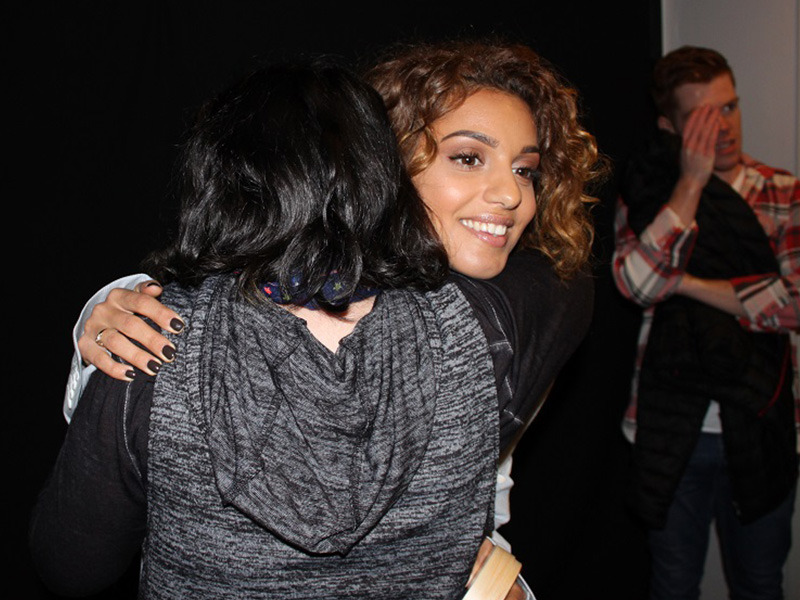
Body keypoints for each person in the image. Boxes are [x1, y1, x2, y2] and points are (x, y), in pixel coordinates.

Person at [45, 40, 602, 596]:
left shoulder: (501, 315)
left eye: (526, 170)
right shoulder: (493, 328)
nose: (510, 194)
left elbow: (72, 561)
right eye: (467, 158)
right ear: (382, 163)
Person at [612, 45, 799, 600]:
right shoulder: (651, 189)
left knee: (759, 583)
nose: (723, 126)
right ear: (670, 127)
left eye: (730, 107)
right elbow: (636, 285)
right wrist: (690, 184)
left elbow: (793, 305)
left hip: (763, 422)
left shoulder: (781, 191)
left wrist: (686, 283)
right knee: (672, 583)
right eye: (702, 117)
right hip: (672, 427)